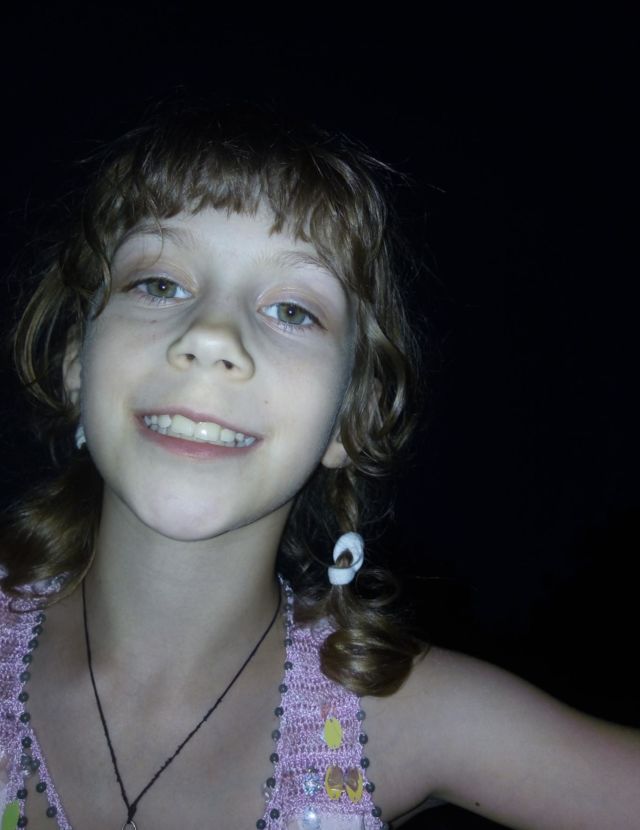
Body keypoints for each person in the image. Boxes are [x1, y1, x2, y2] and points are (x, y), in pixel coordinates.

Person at [0, 104, 638, 830]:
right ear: (76, 361)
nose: (212, 336)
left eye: (293, 311)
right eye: (160, 284)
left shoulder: (405, 718)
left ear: (348, 418)